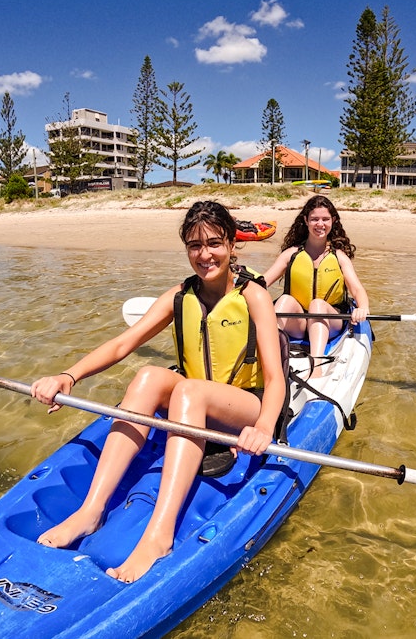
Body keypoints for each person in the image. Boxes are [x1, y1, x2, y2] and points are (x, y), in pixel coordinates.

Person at [29, 200, 285, 584]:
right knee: (149, 375)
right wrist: (70, 375)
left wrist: (264, 426)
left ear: (232, 244)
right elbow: (122, 344)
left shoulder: (254, 296)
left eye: (214, 243)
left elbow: (275, 376)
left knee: (191, 393)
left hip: (244, 407)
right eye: (195, 246)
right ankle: (91, 510)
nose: (205, 255)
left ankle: (159, 535)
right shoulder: (180, 296)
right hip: (196, 399)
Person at [263, 195, 370, 359]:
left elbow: (357, 289)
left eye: (325, 219)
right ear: (306, 220)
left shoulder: (339, 257)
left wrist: (362, 308)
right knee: (284, 301)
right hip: (298, 323)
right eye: (314, 219)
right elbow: (263, 282)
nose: (320, 224)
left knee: (317, 305)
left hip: (331, 322)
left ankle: (317, 361)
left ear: (333, 220)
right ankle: (267, 356)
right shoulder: (291, 254)